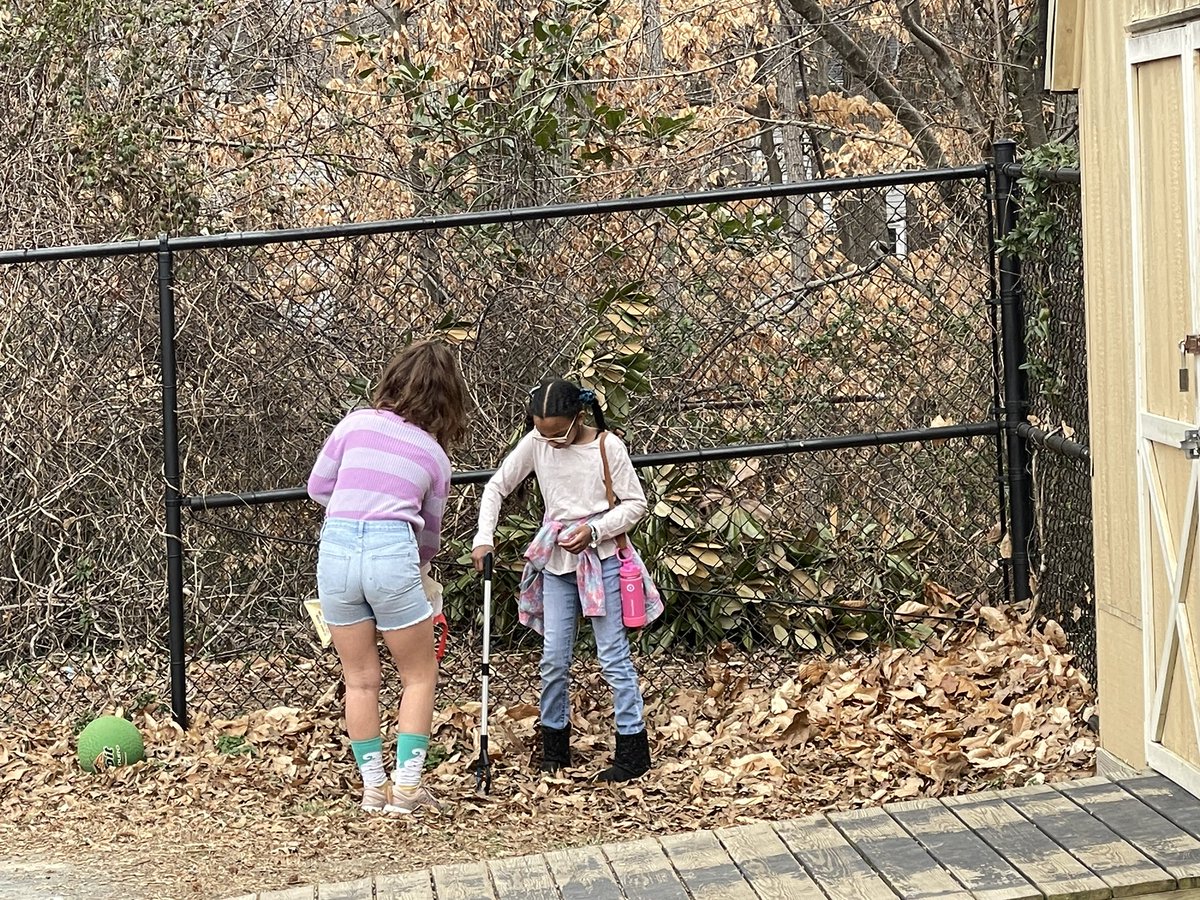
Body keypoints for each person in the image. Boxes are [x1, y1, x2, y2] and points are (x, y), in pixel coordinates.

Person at [471, 378, 662, 782]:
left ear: (578, 418)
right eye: (542, 432)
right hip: (556, 564)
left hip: (603, 560)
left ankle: (632, 751)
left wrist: (594, 531)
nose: (549, 441)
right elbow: (496, 487)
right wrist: (483, 539)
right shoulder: (536, 443)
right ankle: (555, 747)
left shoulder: (609, 446)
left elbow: (636, 504)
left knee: (613, 657)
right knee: (554, 658)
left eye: (557, 433)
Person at [307, 340, 468, 813]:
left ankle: (373, 787)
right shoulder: (435, 457)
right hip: (393, 554)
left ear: (393, 379)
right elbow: (430, 536)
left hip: (335, 551)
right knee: (418, 675)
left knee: (359, 678)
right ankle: (409, 788)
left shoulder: (354, 424)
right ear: (448, 399)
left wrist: (353, 505)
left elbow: (319, 487)